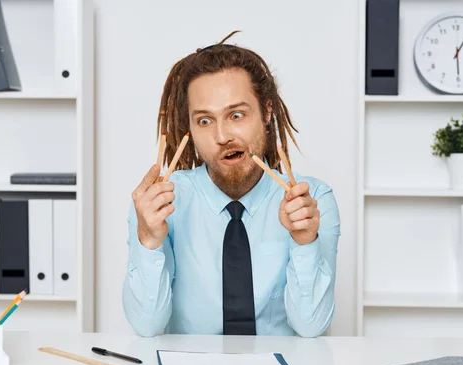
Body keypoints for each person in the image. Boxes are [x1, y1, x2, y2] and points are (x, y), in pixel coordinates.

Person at [122, 31, 341, 338]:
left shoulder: (312, 199)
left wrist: (305, 241)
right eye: (205, 121)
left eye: (236, 115)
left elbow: (311, 327)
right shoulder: (160, 204)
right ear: (191, 131)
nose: (222, 135)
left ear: (266, 112)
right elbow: (147, 326)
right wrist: (149, 241)